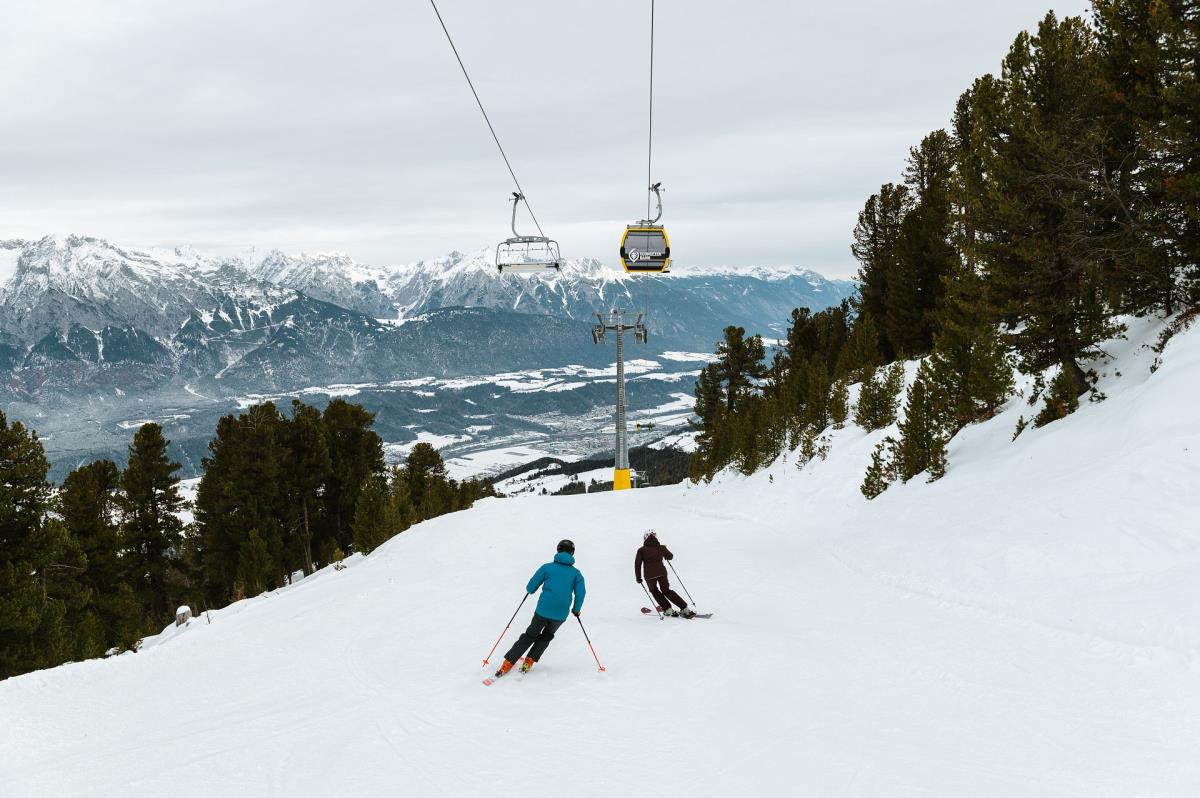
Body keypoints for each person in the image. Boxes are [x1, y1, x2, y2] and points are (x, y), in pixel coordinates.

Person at [495, 539, 587, 677]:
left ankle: (508, 662)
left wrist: (531, 590)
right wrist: (576, 610)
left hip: (543, 610)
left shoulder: (547, 567)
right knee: (547, 636)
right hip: (560, 614)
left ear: (558, 550)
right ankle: (529, 661)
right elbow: (581, 593)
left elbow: (531, 586)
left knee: (531, 634)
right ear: (572, 553)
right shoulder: (576, 573)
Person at [635, 530, 694, 618]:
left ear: (645, 538)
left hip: (649, 575)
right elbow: (670, 557)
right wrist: (664, 551)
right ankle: (684, 608)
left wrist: (638, 578)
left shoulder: (641, 550)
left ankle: (668, 610)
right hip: (662, 573)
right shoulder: (661, 547)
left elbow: (637, 564)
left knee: (654, 590)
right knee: (666, 590)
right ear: (655, 537)